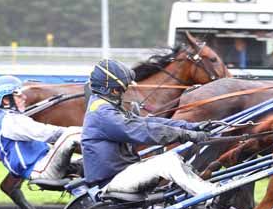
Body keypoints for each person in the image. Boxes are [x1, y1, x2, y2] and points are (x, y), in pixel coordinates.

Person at [81, 59, 216, 197]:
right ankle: (209, 195)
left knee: (171, 158)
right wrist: (185, 135)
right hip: (111, 181)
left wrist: (192, 127)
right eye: (119, 90)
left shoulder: (107, 106)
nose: (123, 93)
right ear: (106, 89)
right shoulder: (103, 113)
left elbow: (148, 122)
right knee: (167, 162)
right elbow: (143, 131)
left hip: (122, 172)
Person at [0, 75, 82, 209]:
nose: (24, 97)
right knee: (70, 135)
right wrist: (91, 133)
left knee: (88, 163)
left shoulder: (10, 118)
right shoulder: (11, 121)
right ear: (6, 99)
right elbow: (50, 133)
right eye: (18, 94)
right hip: (40, 169)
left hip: (45, 162)